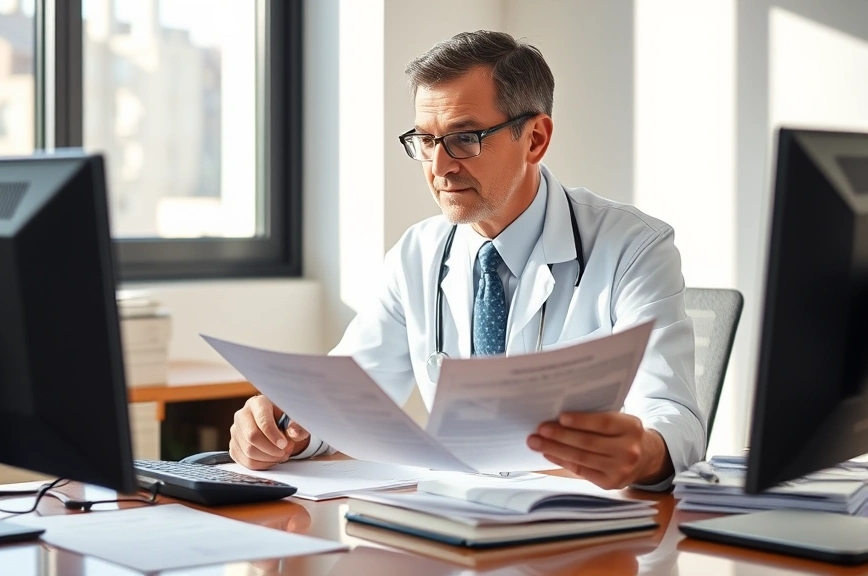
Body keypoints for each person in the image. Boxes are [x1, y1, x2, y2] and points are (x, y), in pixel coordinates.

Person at [229, 30, 704, 490]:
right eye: (426, 141)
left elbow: (672, 413)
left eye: (464, 138)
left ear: (535, 138)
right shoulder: (416, 254)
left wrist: (644, 451)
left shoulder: (633, 247)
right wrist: (285, 427)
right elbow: (345, 399)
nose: (439, 168)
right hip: (457, 521)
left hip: (583, 532)